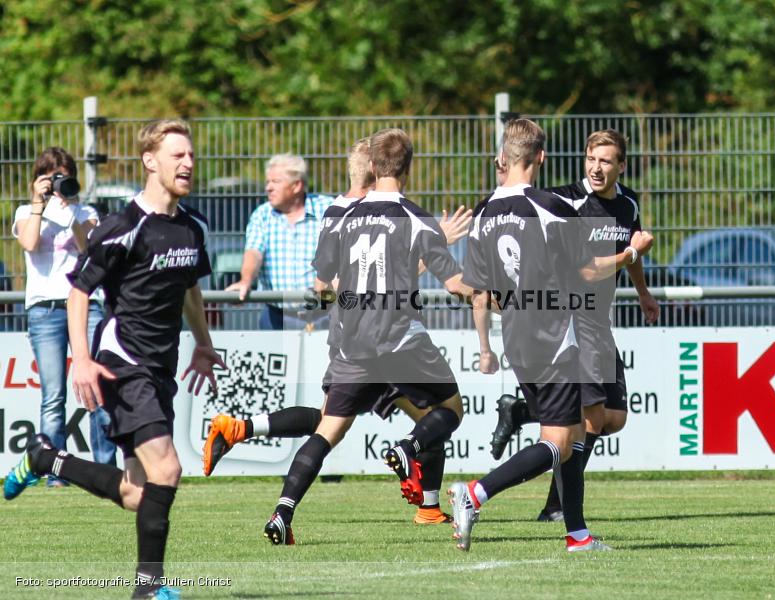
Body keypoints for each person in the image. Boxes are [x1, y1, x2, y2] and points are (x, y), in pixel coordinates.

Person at [3, 119, 224, 600]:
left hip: (160, 368)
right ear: (150, 161)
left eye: (190, 155)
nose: (187, 163)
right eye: (176, 155)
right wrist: (81, 358)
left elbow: (190, 286)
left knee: (138, 494)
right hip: (123, 363)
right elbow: (79, 291)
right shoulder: (122, 227)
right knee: (167, 470)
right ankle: (148, 589)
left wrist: (203, 342)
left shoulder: (193, 227)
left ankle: (46, 458)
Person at [203, 137, 471, 526]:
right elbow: (378, 283)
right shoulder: (397, 216)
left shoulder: (337, 212)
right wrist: (435, 246)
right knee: (435, 414)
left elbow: (327, 288)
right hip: (387, 335)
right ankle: (426, 502)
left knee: (331, 423)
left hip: (349, 339)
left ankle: (249, 440)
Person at [448, 119, 653, 553]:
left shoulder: (484, 211)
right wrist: (633, 252)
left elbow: (479, 291)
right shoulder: (551, 206)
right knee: (558, 442)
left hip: (517, 335)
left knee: (577, 431)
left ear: (505, 157)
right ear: (541, 157)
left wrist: (485, 345)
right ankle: (476, 493)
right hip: (556, 333)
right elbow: (588, 270)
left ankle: (577, 534)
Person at [12, 147, 117, 485]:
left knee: (97, 387)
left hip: (86, 304)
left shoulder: (87, 212)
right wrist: (39, 204)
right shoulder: (26, 211)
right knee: (53, 395)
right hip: (44, 308)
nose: (59, 182)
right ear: (39, 179)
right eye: (51, 176)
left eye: (64, 176)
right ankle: (55, 473)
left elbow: (87, 247)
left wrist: (71, 210)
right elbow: (29, 243)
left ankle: (106, 469)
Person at [226, 154, 334, 330]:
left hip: (325, 315)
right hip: (276, 317)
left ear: (296, 185)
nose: (268, 188)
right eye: (268, 182)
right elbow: (254, 252)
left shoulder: (327, 209)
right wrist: (245, 280)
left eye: (275, 182)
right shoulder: (262, 215)